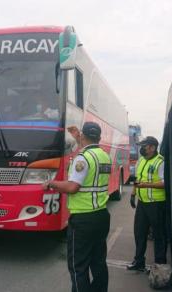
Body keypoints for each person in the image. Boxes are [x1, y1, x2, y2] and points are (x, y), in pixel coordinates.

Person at [42, 122, 111, 292]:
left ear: (84, 136)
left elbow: (73, 187)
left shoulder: (83, 158)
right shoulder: (104, 156)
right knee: (98, 262)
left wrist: (52, 184)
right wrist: (79, 139)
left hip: (83, 219)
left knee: (78, 266)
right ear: (99, 137)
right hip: (101, 215)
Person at [127, 136, 167, 271]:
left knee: (159, 235)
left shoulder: (160, 162)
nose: (141, 148)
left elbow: (164, 183)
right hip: (143, 203)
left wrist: (146, 185)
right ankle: (138, 262)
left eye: (144, 146)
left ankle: (159, 265)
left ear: (152, 147)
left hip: (156, 204)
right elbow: (138, 180)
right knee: (139, 232)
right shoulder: (141, 160)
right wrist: (133, 194)